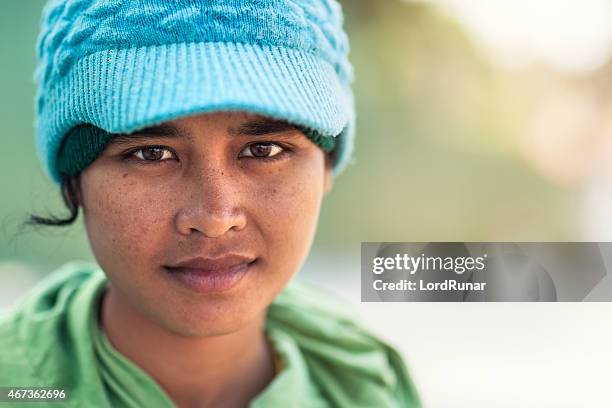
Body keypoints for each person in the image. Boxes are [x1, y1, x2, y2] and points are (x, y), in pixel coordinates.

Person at [0, 1, 421, 407]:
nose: (215, 219)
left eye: (264, 150)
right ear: (74, 183)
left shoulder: (368, 382)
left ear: (326, 168)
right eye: (151, 154)